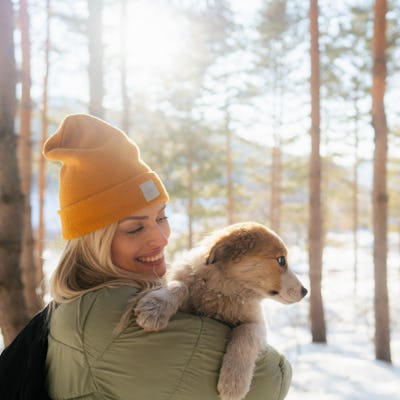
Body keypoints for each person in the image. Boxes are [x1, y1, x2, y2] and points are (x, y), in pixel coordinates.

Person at [43, 113, 292, 400]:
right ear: (92, 243)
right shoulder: (119, 321)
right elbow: (271, 377)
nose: (161, 238)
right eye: (135, 228)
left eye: (162, 216)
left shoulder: (74, 304)